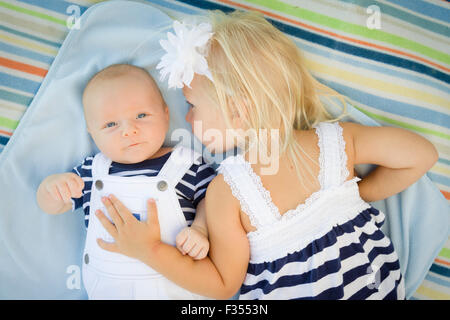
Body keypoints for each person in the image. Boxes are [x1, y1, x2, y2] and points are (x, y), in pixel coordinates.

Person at [94, 11, 438, 299]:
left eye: (193, 105)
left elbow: (220, 285)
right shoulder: (335, 142)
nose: (187, 118)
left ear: (238, 110)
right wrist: (360, 194)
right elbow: (422, 155)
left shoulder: (227, 192)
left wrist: (148, 250)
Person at [36, 64, 216, 299]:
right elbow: (52, 206)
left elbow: (213, 201)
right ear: (91, 132)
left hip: (175, 289)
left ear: (165, 113)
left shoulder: (187, 165)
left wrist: (200, 229)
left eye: (141, 115)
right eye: (111, 124)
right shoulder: (92, 171)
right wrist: (51, 188)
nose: (129, 131)